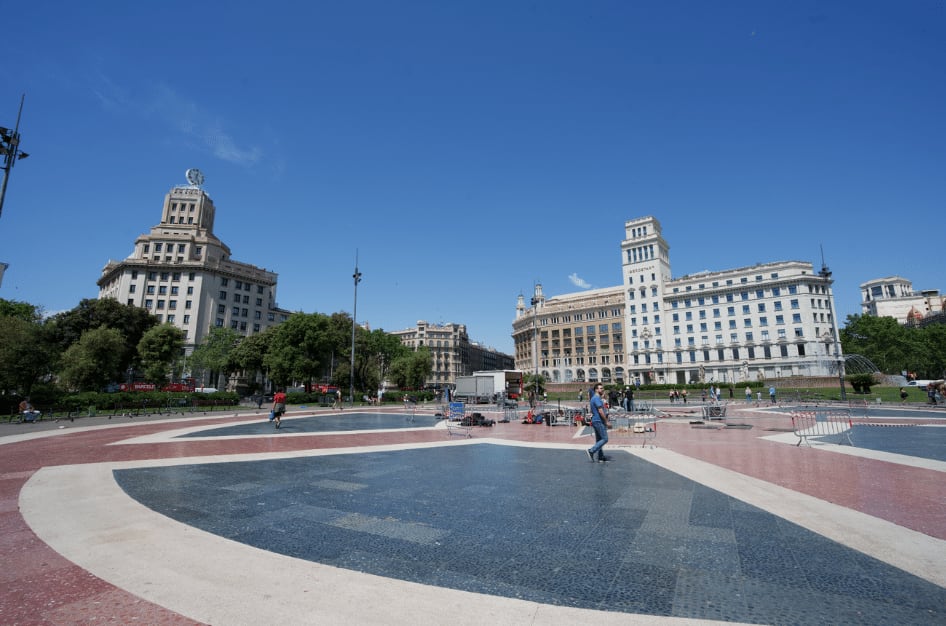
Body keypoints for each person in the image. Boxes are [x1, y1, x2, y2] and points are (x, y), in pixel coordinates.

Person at [586, 383, 611, 463]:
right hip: (598, 421)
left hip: (596, 421)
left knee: (599, 440)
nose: (602, 389)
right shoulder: (596, 398)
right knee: (605, 439)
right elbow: (600, 411)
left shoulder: (595, 398)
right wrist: (606, 421)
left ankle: (600, 457)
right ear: (596, 390)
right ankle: (591, 451)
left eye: (602, 388)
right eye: (600, 388)